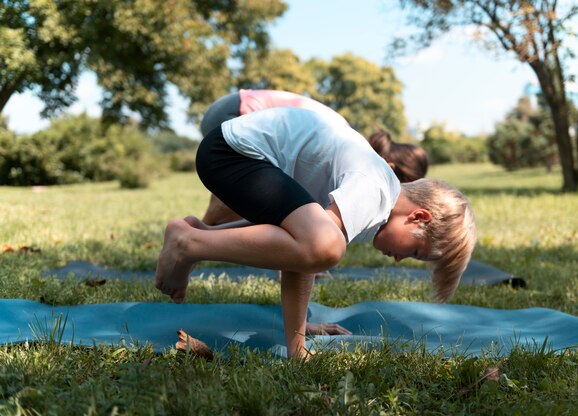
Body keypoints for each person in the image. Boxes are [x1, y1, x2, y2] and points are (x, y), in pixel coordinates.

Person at [155, 107, 476, 359]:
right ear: (418, 217)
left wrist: (299, 334)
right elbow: (311, 252)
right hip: (233, 154)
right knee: (326, 247)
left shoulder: (376, 199)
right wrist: (298, 347)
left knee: (322, 244)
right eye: (416, 253)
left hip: (233, 153)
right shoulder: (376, 191)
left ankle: (195, 233)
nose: (401, 260)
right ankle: (189, 243)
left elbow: (295, 251)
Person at [199, 89, 429, 225]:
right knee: (264, 199)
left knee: (264, 199)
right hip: (233, 113)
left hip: (233, 110)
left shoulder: (348, 144)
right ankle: (195, 235)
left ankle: (197, 233)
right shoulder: (345, 145)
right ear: (389, 166)